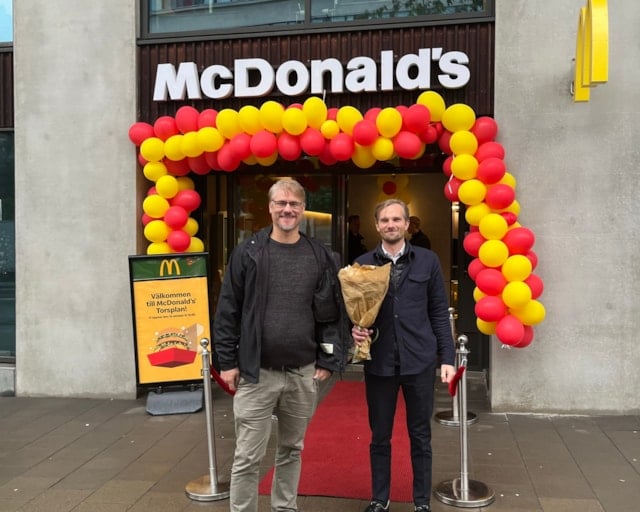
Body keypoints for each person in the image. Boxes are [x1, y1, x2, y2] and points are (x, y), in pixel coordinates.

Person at [213, 178, 350, 512]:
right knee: (247, 456)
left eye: (294, 204)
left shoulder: (321, 256)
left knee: (292, 449)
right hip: (257, 374)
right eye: (281, 203)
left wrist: (328, 359)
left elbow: (332, 313)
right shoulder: (248, 253)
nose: (287, 209)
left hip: (301, 373)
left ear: (303, 209)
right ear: (270, 207)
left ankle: (284, 508)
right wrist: (227, 362)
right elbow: (228, 308)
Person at [351, 199, 455, 512]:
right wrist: (353, 330)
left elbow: (439, 311)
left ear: (407, 224)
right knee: (379, 436)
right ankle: (378, 499)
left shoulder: (428, 261)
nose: (391, 225)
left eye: (397, 219)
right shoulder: (363, 263)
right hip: (380, 363)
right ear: (377, 225)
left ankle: (421, 503)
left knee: (420, 436)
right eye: (384, 220)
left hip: (419, 362)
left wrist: (446, 358)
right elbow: (354, 312)